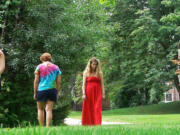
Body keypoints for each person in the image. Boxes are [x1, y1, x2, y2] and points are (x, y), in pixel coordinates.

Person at [34, 52, 61, 127]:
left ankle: (41, 127)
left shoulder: (39, 67)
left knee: (40, 109)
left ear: (42, 59)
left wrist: (35, 92)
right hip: (52, 90)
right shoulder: (56, 67)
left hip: (42, 90)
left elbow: (36, 81)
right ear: (50, 58)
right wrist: (57, 92)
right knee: (49, 109)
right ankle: (48, 128)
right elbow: (58, 82)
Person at [82, 57, 105, 125]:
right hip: (88, 92)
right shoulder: (86, 72)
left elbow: (102, 84)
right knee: (89, 108)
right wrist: (83, 93)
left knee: (97, 107)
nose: (94, 66)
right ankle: (88, 123)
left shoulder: (99, 73)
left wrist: (103, 93)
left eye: (96, 64)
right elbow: (83, 84)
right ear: (90, 64)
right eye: (93, 64)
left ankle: (97, 123)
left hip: (97, 92)